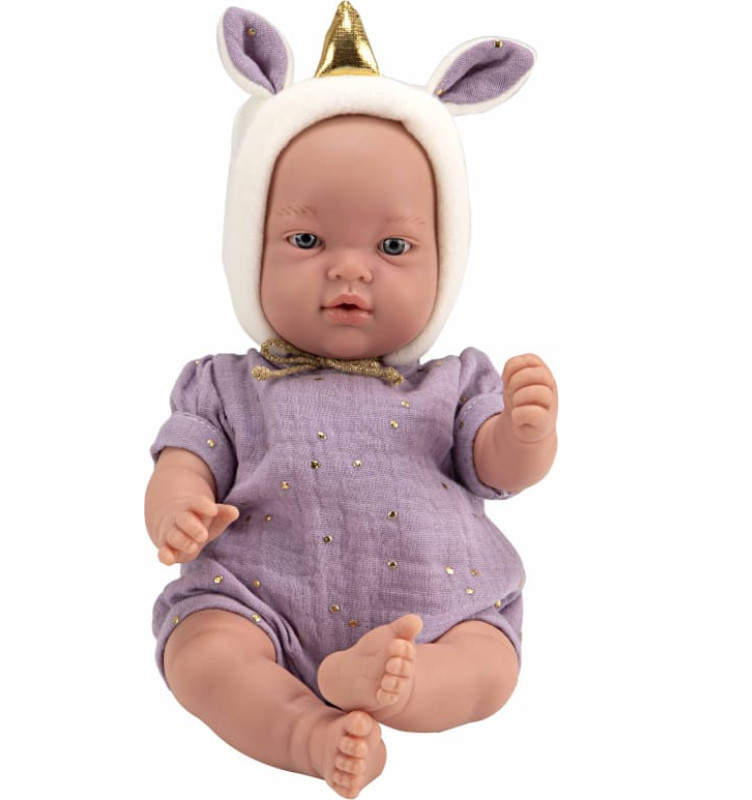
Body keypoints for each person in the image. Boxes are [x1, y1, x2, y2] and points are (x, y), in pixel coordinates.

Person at [146, 5, 556, 798]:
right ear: (249, 249)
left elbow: (497, 468)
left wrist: (525, 433)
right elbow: (183, 458)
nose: (350, 270)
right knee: (201, 654)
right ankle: (309, 731)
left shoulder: (456, 382)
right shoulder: (226, 383)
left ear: (443, 262)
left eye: (393, 247)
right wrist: (176, 509)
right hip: (255, 600)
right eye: (307, 241)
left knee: (489, 665)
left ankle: (403, 685)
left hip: (435, 608)